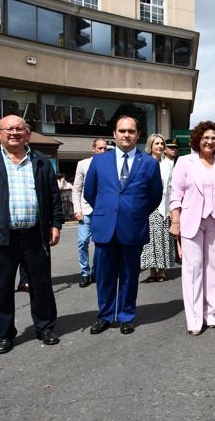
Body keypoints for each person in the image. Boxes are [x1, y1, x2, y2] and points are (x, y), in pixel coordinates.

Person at [0, 115, 63, 354]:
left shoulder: (39, 161)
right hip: (0, 236)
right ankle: (4, 334)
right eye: (9, 129)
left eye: (19, 128)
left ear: (27, 133)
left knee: (41, 285)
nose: (14, 133)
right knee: (2, 288)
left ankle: (45, 327)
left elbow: (53, 196)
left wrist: (56, 223)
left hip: (34, 234)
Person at [84, 115, 162, 335]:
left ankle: (127, 316)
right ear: (114, 134)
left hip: (133, 227)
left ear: (138, 135)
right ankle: (105, 315)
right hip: (104, 227)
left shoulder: (149, 163)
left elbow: (154, 196)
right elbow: (90, 192)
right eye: (122, 131)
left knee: (129, 275)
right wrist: (107, 211)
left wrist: (134, 212)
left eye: (131, 131)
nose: (126, 134)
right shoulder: (99, 161)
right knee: (105, 275)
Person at [170, 122, 215, 335]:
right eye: (206, 137)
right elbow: (175, 194)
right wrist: (175, 221)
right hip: (191, 221)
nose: (209, 141)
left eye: (214, 138)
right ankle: (195, 318)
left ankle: (210, 312)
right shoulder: (185, 161)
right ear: (198, 139)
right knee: (193, 270)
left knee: (213, 269)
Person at [72, 138, 107, 287]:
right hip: (85, 210)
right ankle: (85, 272)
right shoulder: (83, 164)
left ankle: (96, 271)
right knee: (83, 242)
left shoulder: (110, 165)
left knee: (101, 244)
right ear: (93, 149)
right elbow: (77, 188)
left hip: (103, 211)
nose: (103, 151)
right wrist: (77, 209)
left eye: (105, 148)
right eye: (100, 148)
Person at [140, 134, 175, 282]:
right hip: (147, 207)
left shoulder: (168, 165)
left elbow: (172, 188)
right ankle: (151, 271)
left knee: (163, 239)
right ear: (151, 146)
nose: (160, 146)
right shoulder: (143, 163)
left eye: (161, 144)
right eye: (156, 143)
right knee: (149, 240)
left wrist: (172, 209)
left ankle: (161, 271)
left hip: (164, 207)